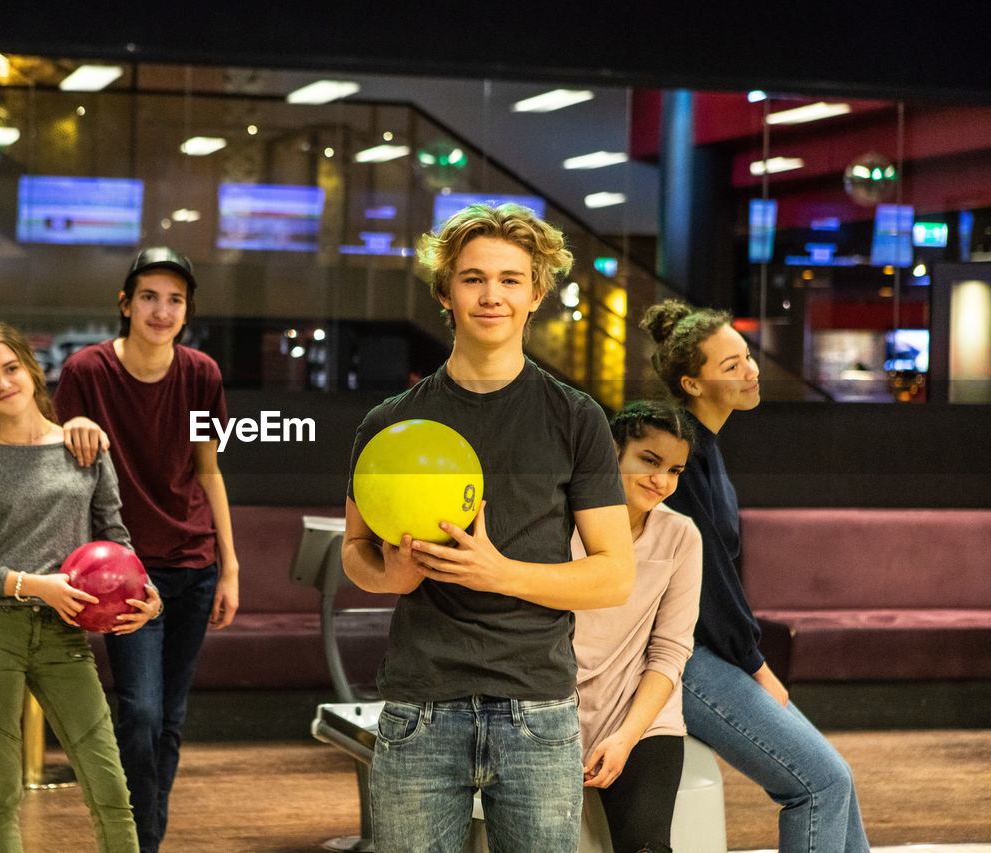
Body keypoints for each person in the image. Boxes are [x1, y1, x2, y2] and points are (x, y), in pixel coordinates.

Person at [341, 203, 636, 852]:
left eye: (510, 278)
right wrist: (390, 572)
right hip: (420, 703)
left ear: (536, 293)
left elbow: (615, 575)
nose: (491, 294)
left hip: (537, 708)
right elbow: (355, 552)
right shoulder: (388, 422)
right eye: (473, 277)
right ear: (445, 291)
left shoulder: (576, 417)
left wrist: (498, 572)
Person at [642, 299, 870, 853]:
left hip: (705, 651)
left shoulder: (704, 450)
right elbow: (708, 583)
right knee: (819, 784)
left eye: (748, 357)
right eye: (732, 366)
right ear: (692, 384)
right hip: (680, 657)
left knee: (837, 779)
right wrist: (756, 664)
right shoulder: (679, 454)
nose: (751, 371)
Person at [0, 320, 161, 853]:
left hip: (65, 637)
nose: (4, 383)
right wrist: (34, 585)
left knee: (109, 784)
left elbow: (117, 540)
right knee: (0, 790)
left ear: (32, 370)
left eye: (11, 368)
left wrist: (147, 595)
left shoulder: (85, 447)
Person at [53, 246, 240, 853]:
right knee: (140, 715)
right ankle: (133, 841)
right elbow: (56, 469)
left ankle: (143, 841)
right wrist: (68, 431)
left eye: (175, 300)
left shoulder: (202, 375)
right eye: (150, 297)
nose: (162, 310)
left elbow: (208, 472)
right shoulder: (87, 372)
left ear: (187, 311)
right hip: (125, 573)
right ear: (125, 303)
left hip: (195, 565)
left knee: (171, 718)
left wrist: (231, 568)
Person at [572, 401, 702, 853]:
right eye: (649, 461)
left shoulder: (682, 536)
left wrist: (626, 738)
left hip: (641, 719)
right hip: (548, 711)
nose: (662, 481)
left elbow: (670, 652)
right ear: (612, 453)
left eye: (675, 470)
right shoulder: (558, 524)